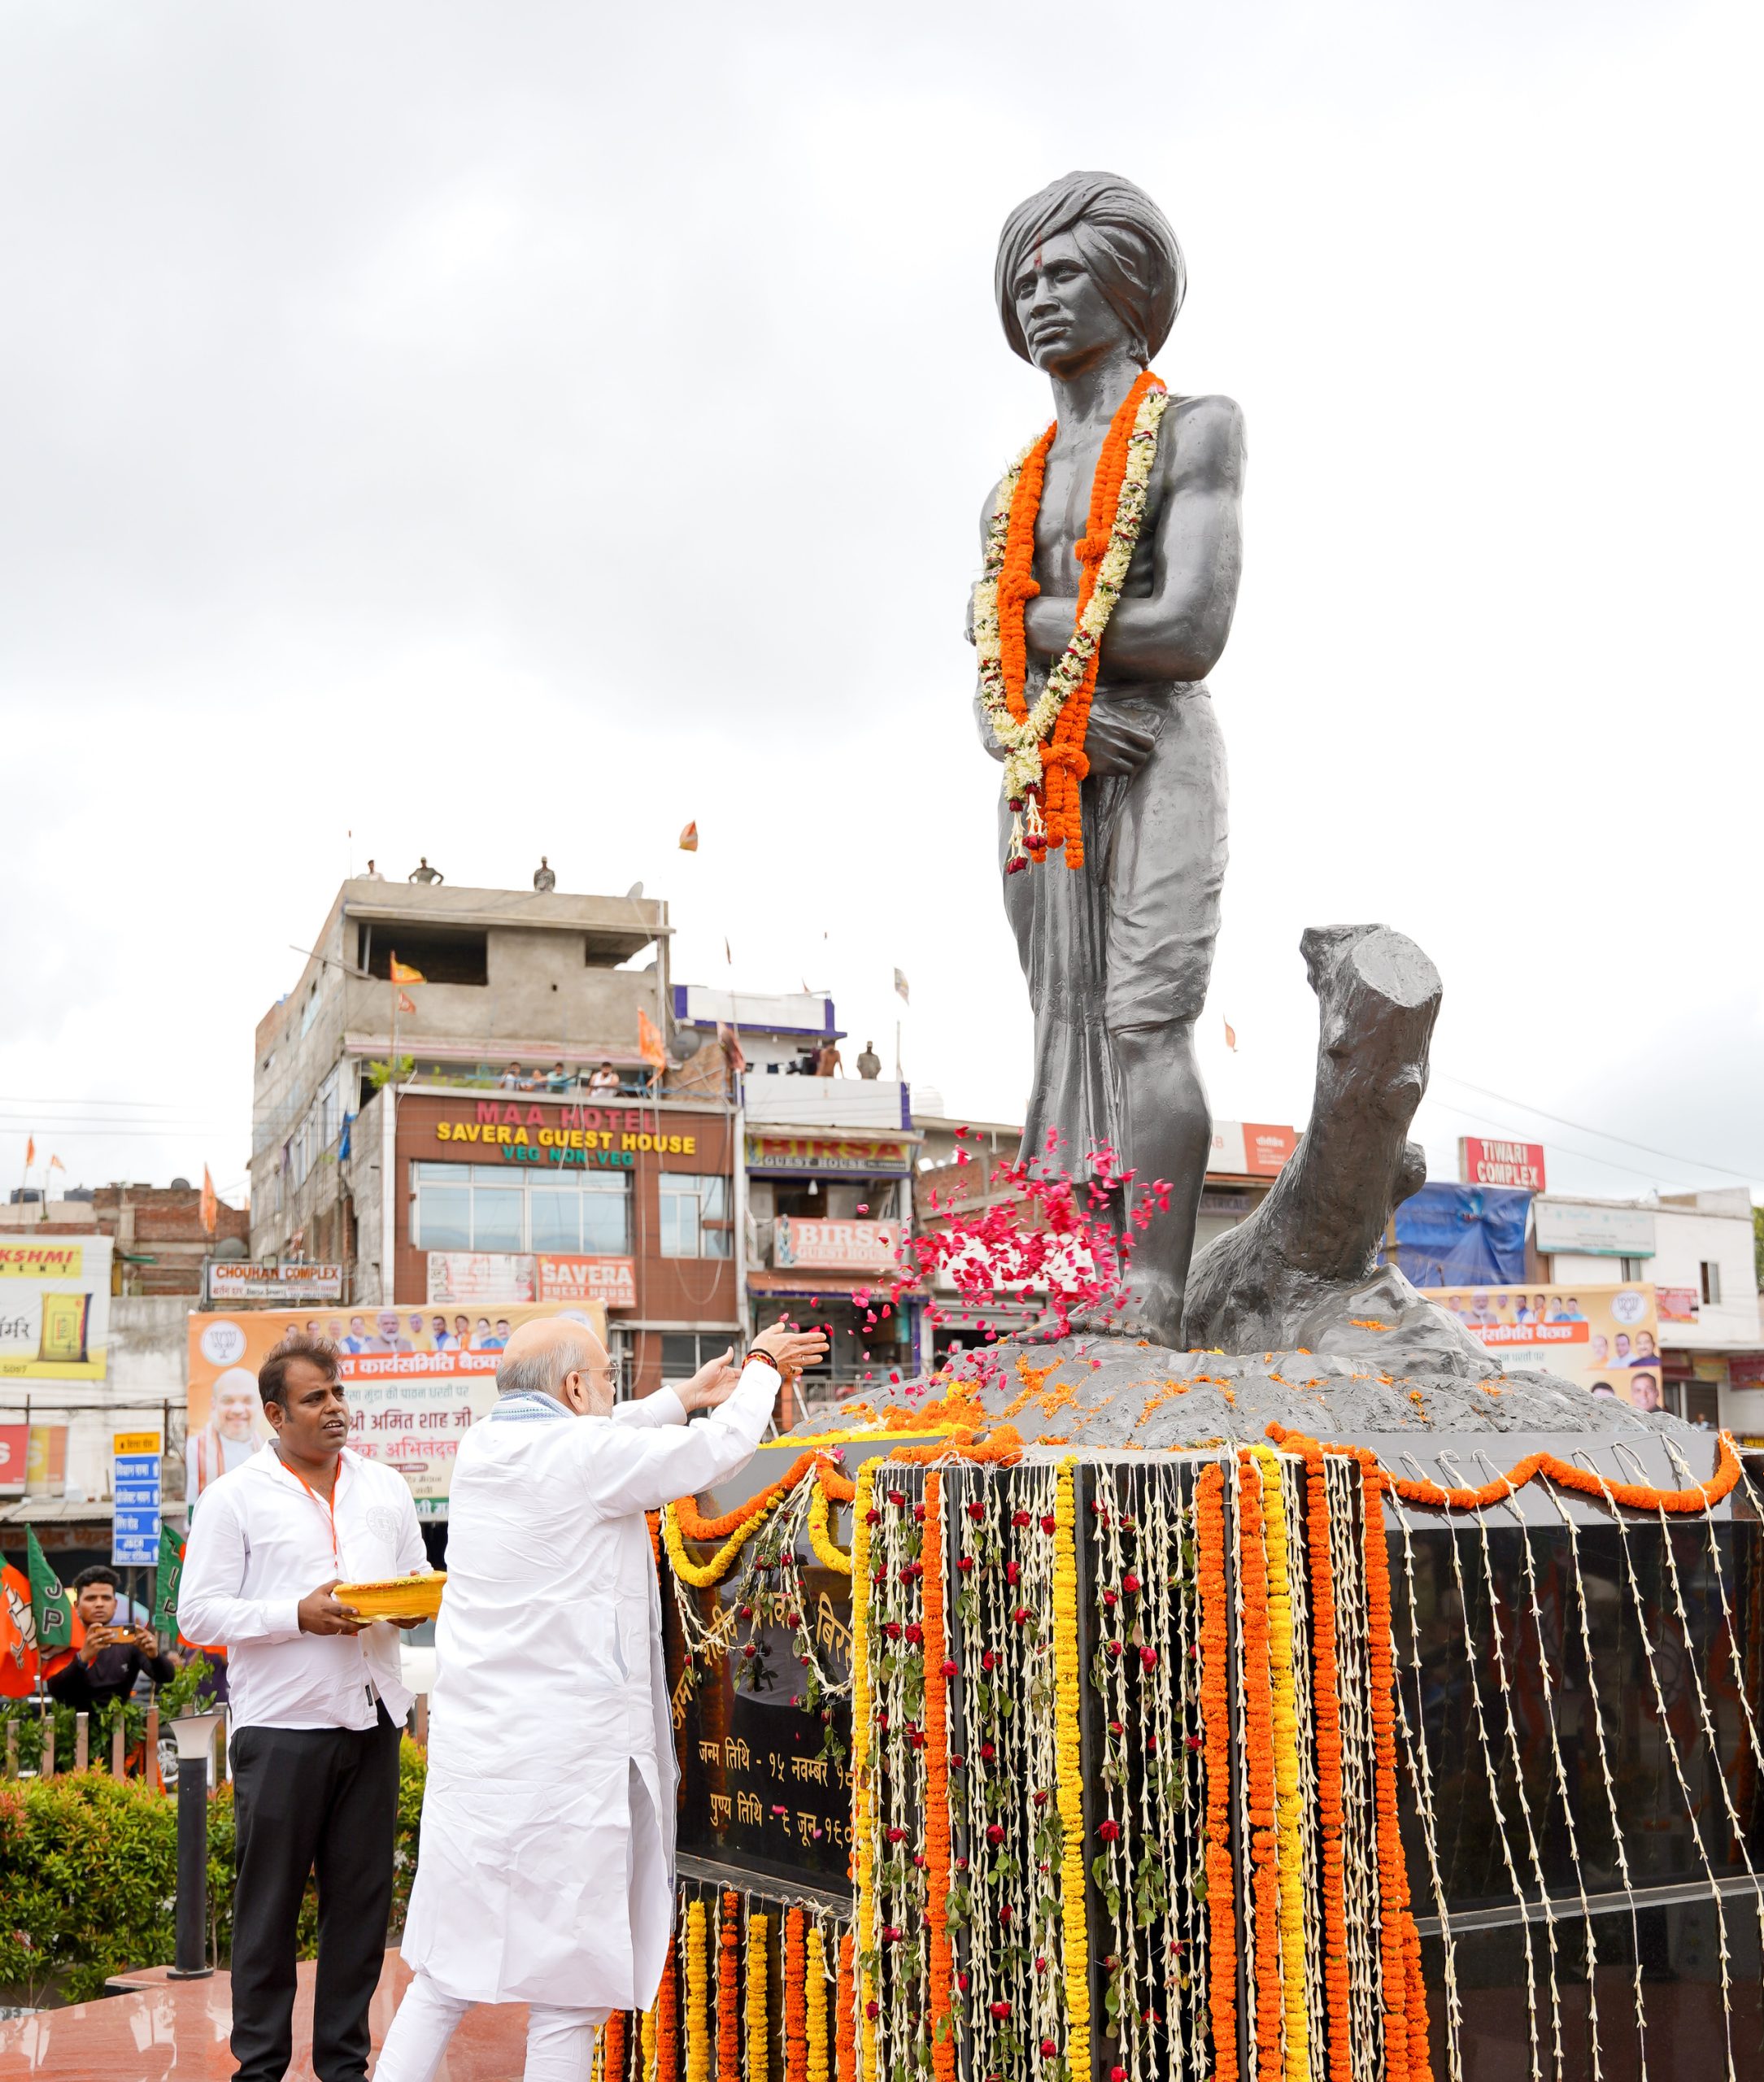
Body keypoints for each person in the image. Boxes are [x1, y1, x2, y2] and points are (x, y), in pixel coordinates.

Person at [373, 1315, 827, 2082]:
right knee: (567, 1996)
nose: (614, 1393)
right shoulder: (580, 1455)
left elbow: (605, 1433)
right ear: (575, 1385)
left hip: (482, 1767)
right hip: (564, 1768)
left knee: (445, 1976)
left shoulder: (485, 1447)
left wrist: (680, 1394)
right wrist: (760, 1367)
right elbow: (715, 1451)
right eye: (606, 1379)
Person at [978, 172, 1243, 1347]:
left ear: (1130, 290)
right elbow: (990, 693)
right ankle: (1072, 1283)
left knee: (1144, 1020)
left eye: (1065, 272)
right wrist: (1045, 693)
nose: (1039, 297)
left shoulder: (1196, 427)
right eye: (1024, 278)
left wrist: (1039, 626)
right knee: (1062, 1030)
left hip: (1160, 755)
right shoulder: (1008, 491)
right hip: (1046, 777)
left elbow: (1189, 632)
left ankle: (1150, 1287)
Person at [178, 1331, 429, 2082]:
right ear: (273, 1414)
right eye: (314, 1397)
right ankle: (258, 2068)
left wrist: (413, 1602)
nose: (335, 1409)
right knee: (269, 1911)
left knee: (359, 1909)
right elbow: (198, 1616)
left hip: (373, 1715)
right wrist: (295, 1614)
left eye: (339, 1392)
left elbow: (414, 1571)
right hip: (283, 1728)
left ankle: (343, 2067)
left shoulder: (384, 1486)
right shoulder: (232, 1498)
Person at [46, 1566, 176, 1718]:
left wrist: (154, 1655)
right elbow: (56, 1691)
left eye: (106, 1598)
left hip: (119, 1731)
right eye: (91, 1598)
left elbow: (166, 1678)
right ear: (77, 1606)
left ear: (115, 1605)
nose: (99, 1604)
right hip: (71, 1733)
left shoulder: (130, 1642)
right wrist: (82, 1658)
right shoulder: (63, 1643)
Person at [187, 1365, 271, 1502]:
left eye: (247, 1401)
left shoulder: (271, 1451)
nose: (238, 1409)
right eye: (228, 1401)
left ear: (260, 1406)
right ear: (214, 1405)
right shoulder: (193, 1449)